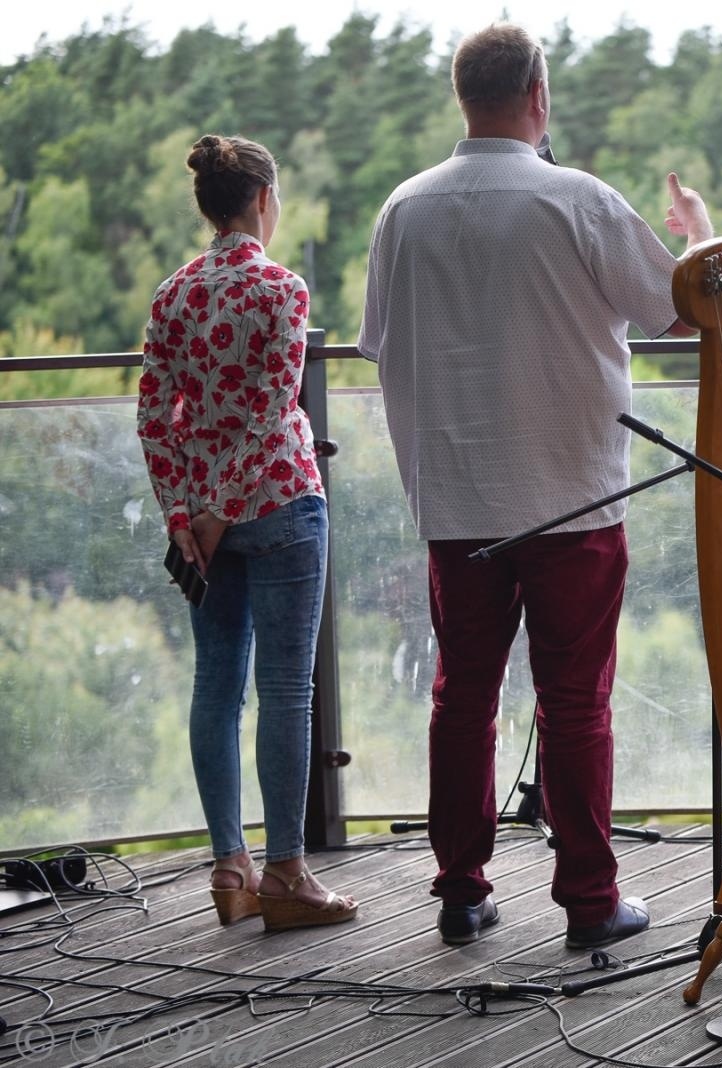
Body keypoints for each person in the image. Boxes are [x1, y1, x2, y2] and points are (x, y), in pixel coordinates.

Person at [357, 23, 714, 949]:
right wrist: (702, 238)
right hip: (572, 499)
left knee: (462, 695)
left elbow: (381, 345)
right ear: (539, 95)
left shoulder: (403, 209)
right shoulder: (579, 200)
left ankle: (461, 892)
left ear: (462, 97)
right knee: (574, 701)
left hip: (460, 500)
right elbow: (679, 311)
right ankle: (591, 906)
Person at [137, 135, 357, 931]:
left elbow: (154, 417)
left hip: (204, 524)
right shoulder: (281, 288)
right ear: (264, 198)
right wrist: (224, 509)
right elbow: (270, 407)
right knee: (285, 692)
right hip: (278, 507)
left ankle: (229, 868)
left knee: (215, 687)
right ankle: (287, 877)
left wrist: (184, 518)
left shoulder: (173, 294)